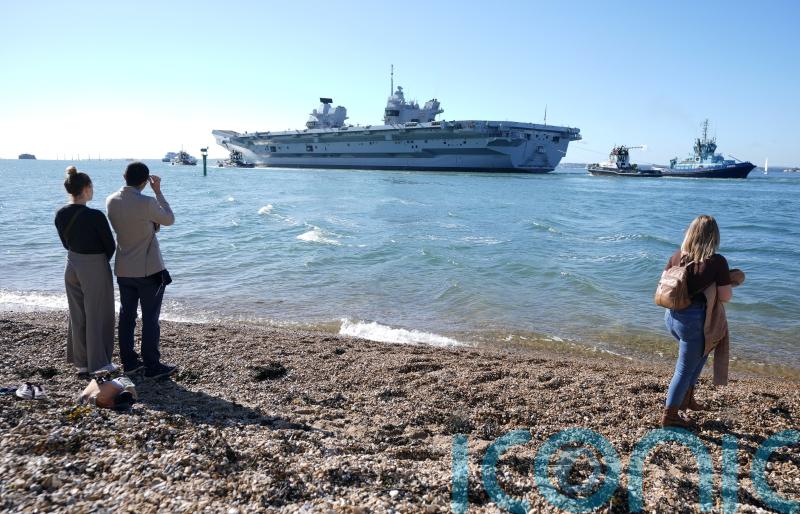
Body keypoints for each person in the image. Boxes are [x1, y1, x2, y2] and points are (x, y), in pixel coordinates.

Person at [106, 162, 177, 379]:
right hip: (149, 270)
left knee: (127, 317)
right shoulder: (147, 202)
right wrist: (158, 191)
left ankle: (129, 362)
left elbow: (133, 224)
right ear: (145, 181)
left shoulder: (111, 200)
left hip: (124, 268)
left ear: (123, 176)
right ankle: (152, 365)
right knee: (150, 318)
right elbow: (169, 219)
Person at [661, 215, 732, 428]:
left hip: (673, 317)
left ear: (690, 233)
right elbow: (726, 296)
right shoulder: (717, 261)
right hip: (695, 322)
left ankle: (687, 399)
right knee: (683, 369)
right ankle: (670, 415)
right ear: (714, 236)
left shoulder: (676, 256)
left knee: (700, 355)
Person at [54, 165, 117, 376]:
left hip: (71, 263)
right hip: (94, 265)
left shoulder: (60, 214)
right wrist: (100, 263)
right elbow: (110, 246)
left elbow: (65, 242)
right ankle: (99, 363)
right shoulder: (96, 216)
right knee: (98, 313)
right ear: (87, 189)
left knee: (78, 313)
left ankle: (81, 362)